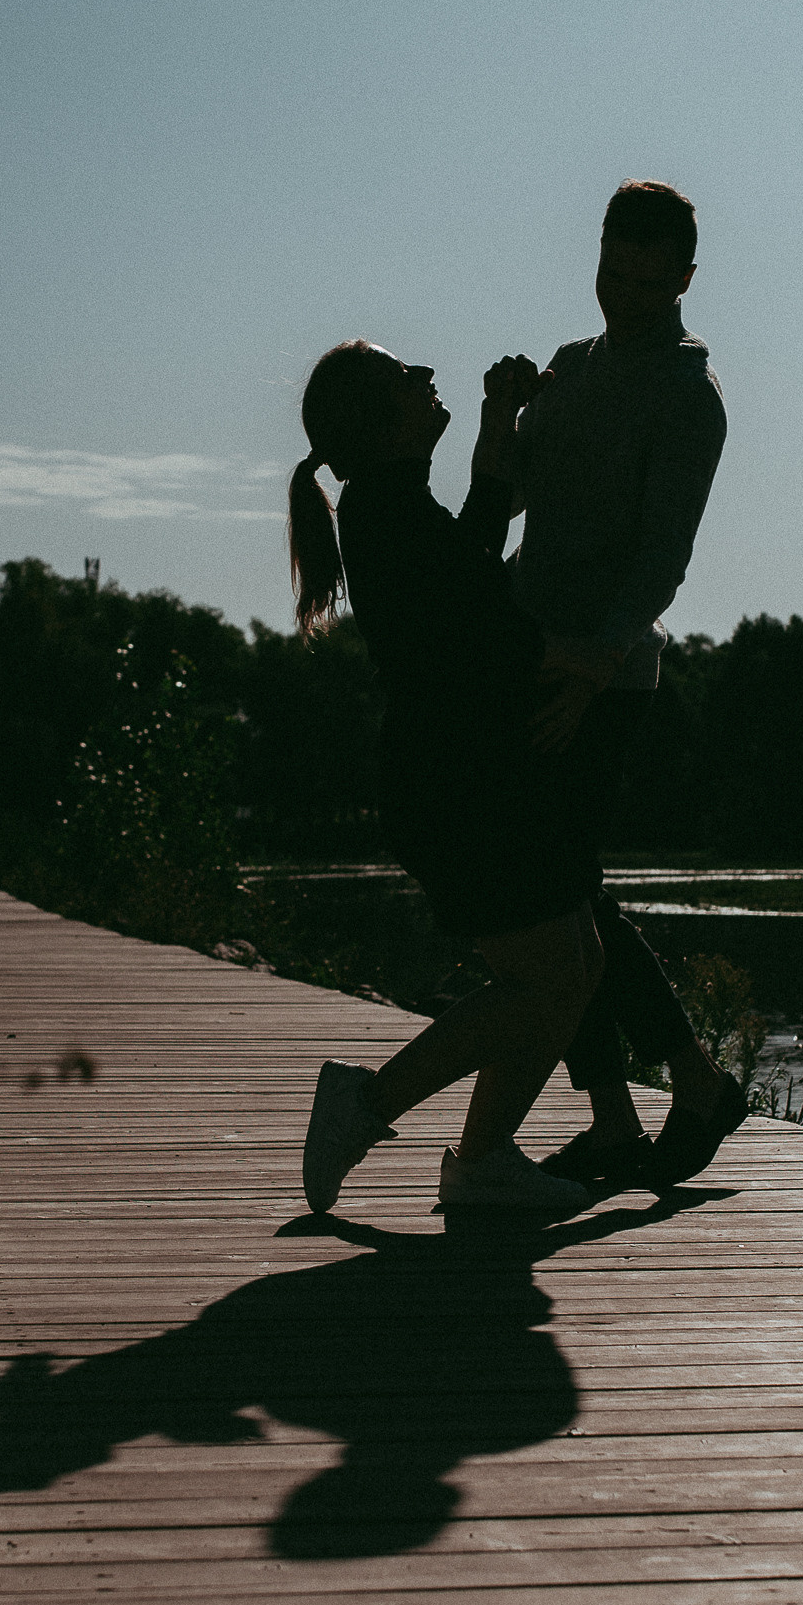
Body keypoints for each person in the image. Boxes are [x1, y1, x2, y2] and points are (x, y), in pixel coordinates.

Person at [289, 342, 603, 1221]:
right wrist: (593, 660)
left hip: (484, 772)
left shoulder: (392, 504)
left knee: (577, 962)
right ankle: (367, 1106)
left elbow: (473, 545)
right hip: (460, 787)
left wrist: (500, 421)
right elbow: (483, 635)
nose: (428, 378)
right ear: (375, 421)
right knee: (546, 975)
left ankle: (485, 1159)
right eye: (406, 377)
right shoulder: (384, 513)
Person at [511, 178, 748, 1194]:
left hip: (604, 674)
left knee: (559, 893)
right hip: (525, 653)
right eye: (616, 270)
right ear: (598, 254)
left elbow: (661, 557)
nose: (628, 293)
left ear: (685, 280)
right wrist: (504, 412)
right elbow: (516, 493)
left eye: (652, 282)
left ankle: (689, 1082)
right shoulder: (570, 367)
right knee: (550, 894)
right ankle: (619, 1113)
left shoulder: (687, 395)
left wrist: (593, 670)